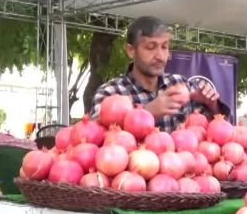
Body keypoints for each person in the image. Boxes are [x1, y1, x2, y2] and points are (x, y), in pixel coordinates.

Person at [91, 16, 224, 133]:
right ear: (131, 51)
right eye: (151, 47)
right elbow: (96, 138)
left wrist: (212, 105)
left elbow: (217, 134)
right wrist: (147, 112)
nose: (160, 56)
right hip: (139, 162)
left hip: (184, 161)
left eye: (164, 47)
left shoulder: (181, 83)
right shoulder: (111, 92)